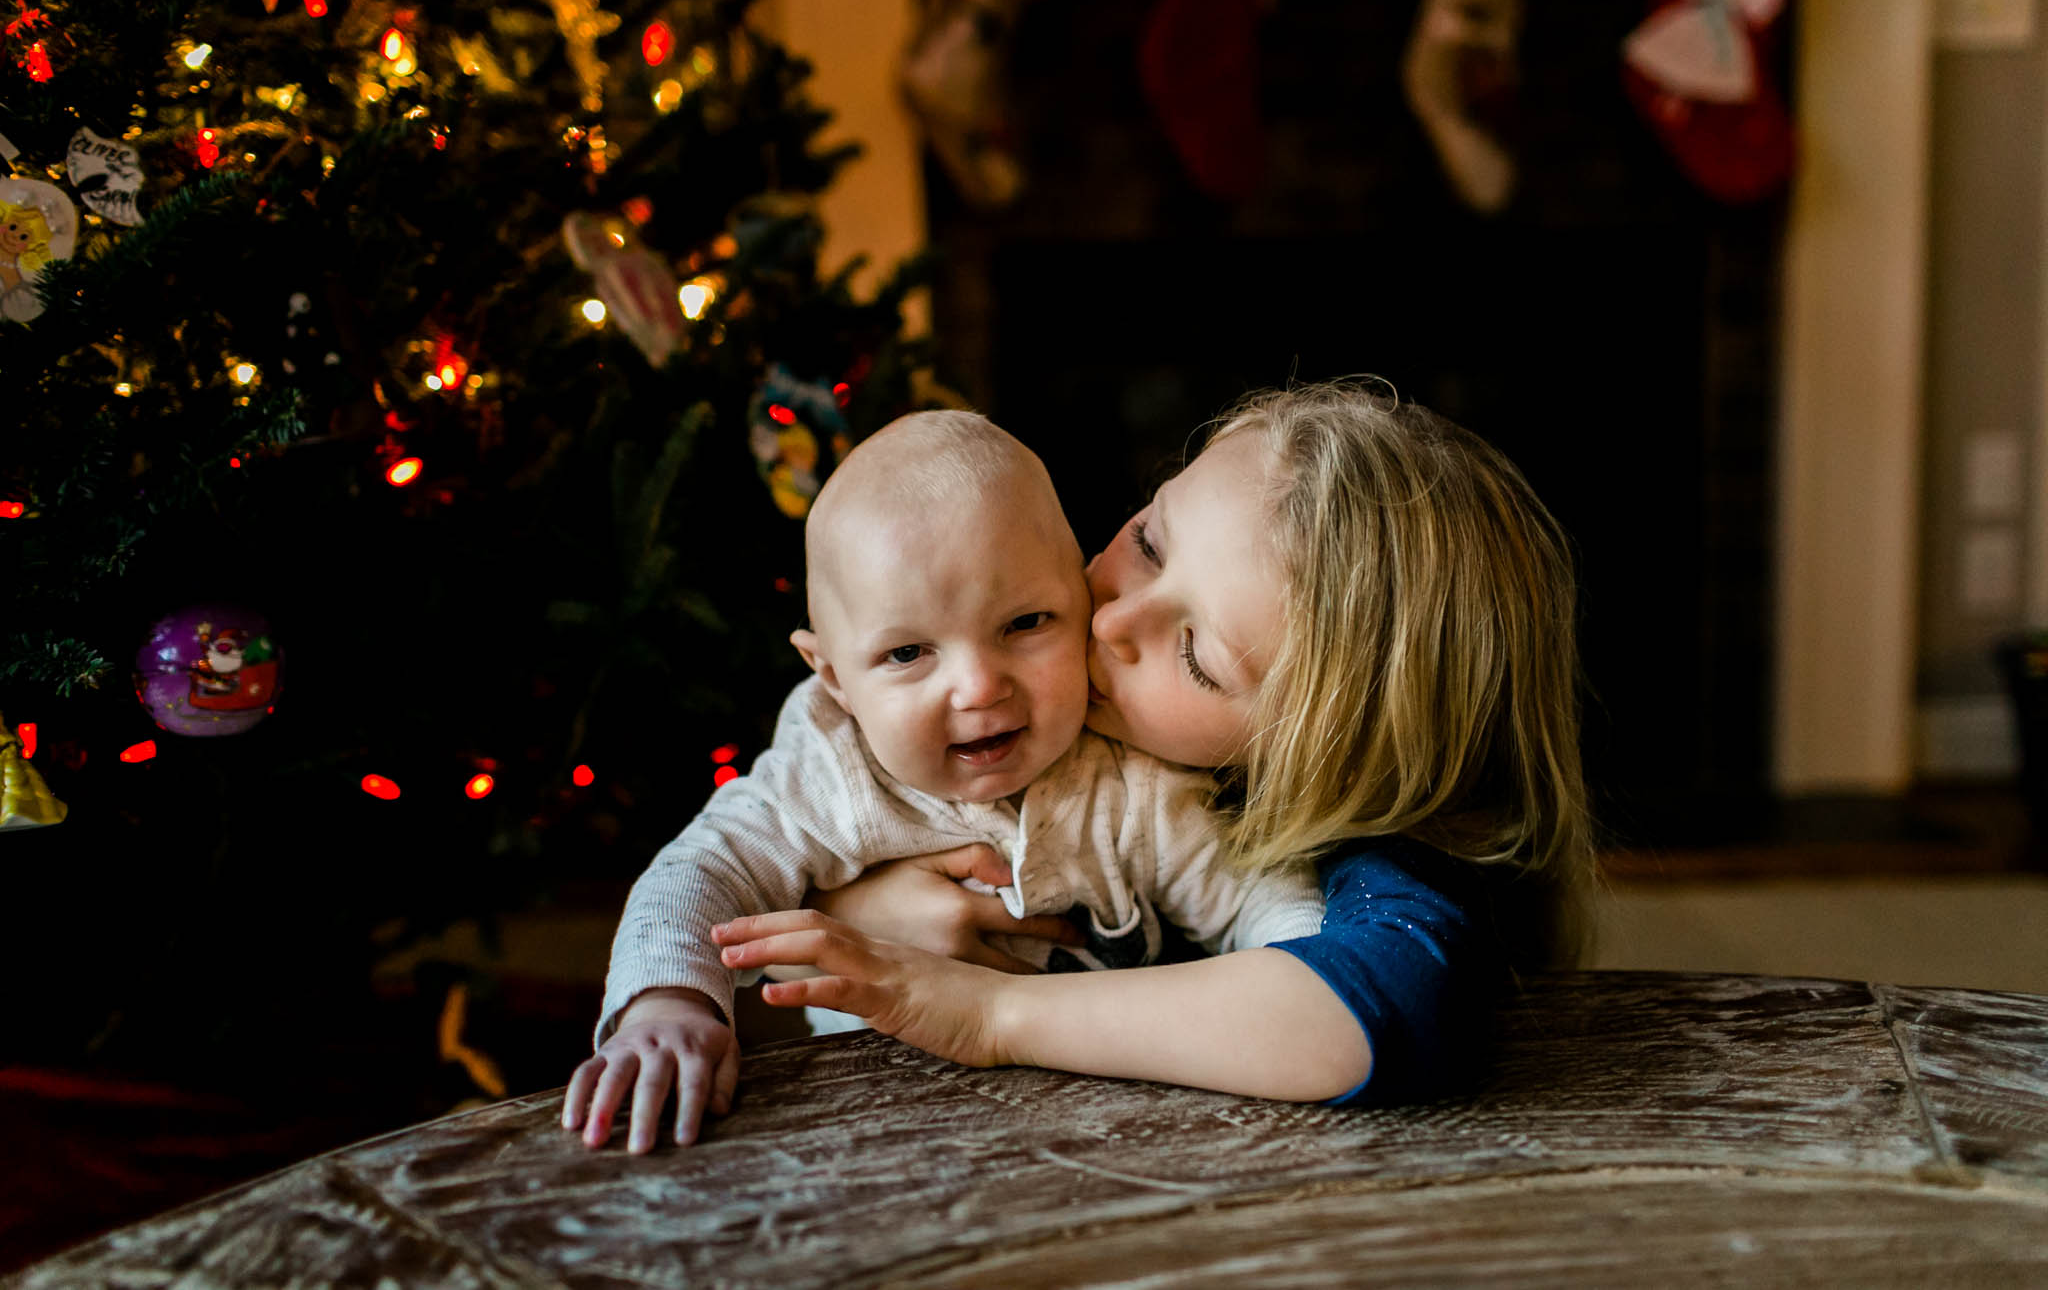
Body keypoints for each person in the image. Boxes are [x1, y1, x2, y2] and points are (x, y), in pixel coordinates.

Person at [712, 380, 1597, 1104]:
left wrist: (993, 1013)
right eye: (1147, 540)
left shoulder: (1377, 852)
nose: (1109, 620)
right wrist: (844, 912)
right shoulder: (1020, 651)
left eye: (1197, 658)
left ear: (1324, 750)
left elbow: (1381, 1006)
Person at [563, 410, 1326, 1152]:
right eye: (906, 654)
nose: (978, 686)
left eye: (1026, 623)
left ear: (1079, 598)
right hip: (886, 1123)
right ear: (830, 675)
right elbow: (703, 869)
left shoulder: (1128, 772)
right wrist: (667, 1004)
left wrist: (1309, 982)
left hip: (1120, 1128)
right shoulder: (831, 768)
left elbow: (1269, 911)